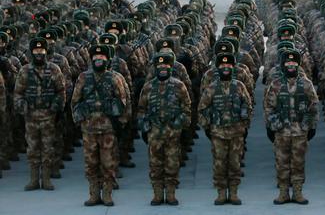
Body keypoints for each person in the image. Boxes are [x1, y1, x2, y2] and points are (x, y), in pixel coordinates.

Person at [71, 45, 129, 207]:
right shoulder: (83, 77)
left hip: (107, 129)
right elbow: (75, 101)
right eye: (96, 58)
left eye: (102, 57)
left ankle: (108, 193)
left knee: (108, 163)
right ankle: (94, 194)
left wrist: (120, 124)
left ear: (108, 59)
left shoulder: (114, 78)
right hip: (88, 129)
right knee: (91, 163)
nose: (99, 60)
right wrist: (79, 121)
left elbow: (123, 101)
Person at [264, 49, 319, 205]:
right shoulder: (275, 85)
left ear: (298, 64)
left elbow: (313, 106)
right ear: (283, 65)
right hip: (281, 132)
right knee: (282, 163)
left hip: (300, 132)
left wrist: (309, 126)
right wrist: (273, 126)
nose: (290, 64)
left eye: (294, 62)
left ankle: (297, 193)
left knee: (298, 163)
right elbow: (269, 107)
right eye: (288, 62)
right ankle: (283, 193)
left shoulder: (306, 84)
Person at [138, 52, 192, 206]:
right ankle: (157, 194)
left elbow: (187, 107)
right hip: (154, 133)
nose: (163, 68)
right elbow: (141, 109)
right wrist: (145, 127)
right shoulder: (148, 87)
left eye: (166, 65)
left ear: (170, 67)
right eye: (160, 65)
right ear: (156, 68)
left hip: (172, 133)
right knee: (155, 165)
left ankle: (170, 194)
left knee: (172, 164)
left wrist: (179, 123)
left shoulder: (179, 85)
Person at [13, 38, 66, 191]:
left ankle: (47, 179)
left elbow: (61, 91)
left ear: (46, 51)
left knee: (48, 148)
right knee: (32, 148)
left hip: (48, 115)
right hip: (30, 116)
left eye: (41, 51)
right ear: (31, 52)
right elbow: (18, 93)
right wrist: (22, 107)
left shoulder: (54, 69)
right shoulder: (24, 71)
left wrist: (56, 107)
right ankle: (34, 179)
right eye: (36, 51)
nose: (39, 53)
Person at [199, 52, 251, 206]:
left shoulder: (239, 86)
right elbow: (202, 109)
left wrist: (243, 124)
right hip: (218, 133)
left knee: (235, 164)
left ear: (233, 67)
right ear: (218, 67)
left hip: (236, 133)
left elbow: (248, 106)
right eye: (222, 65)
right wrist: (209, 127)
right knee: (219, 164)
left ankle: (234, 193)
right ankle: (221, 193)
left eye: (228, 65)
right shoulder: (212, 88)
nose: (226, 67)